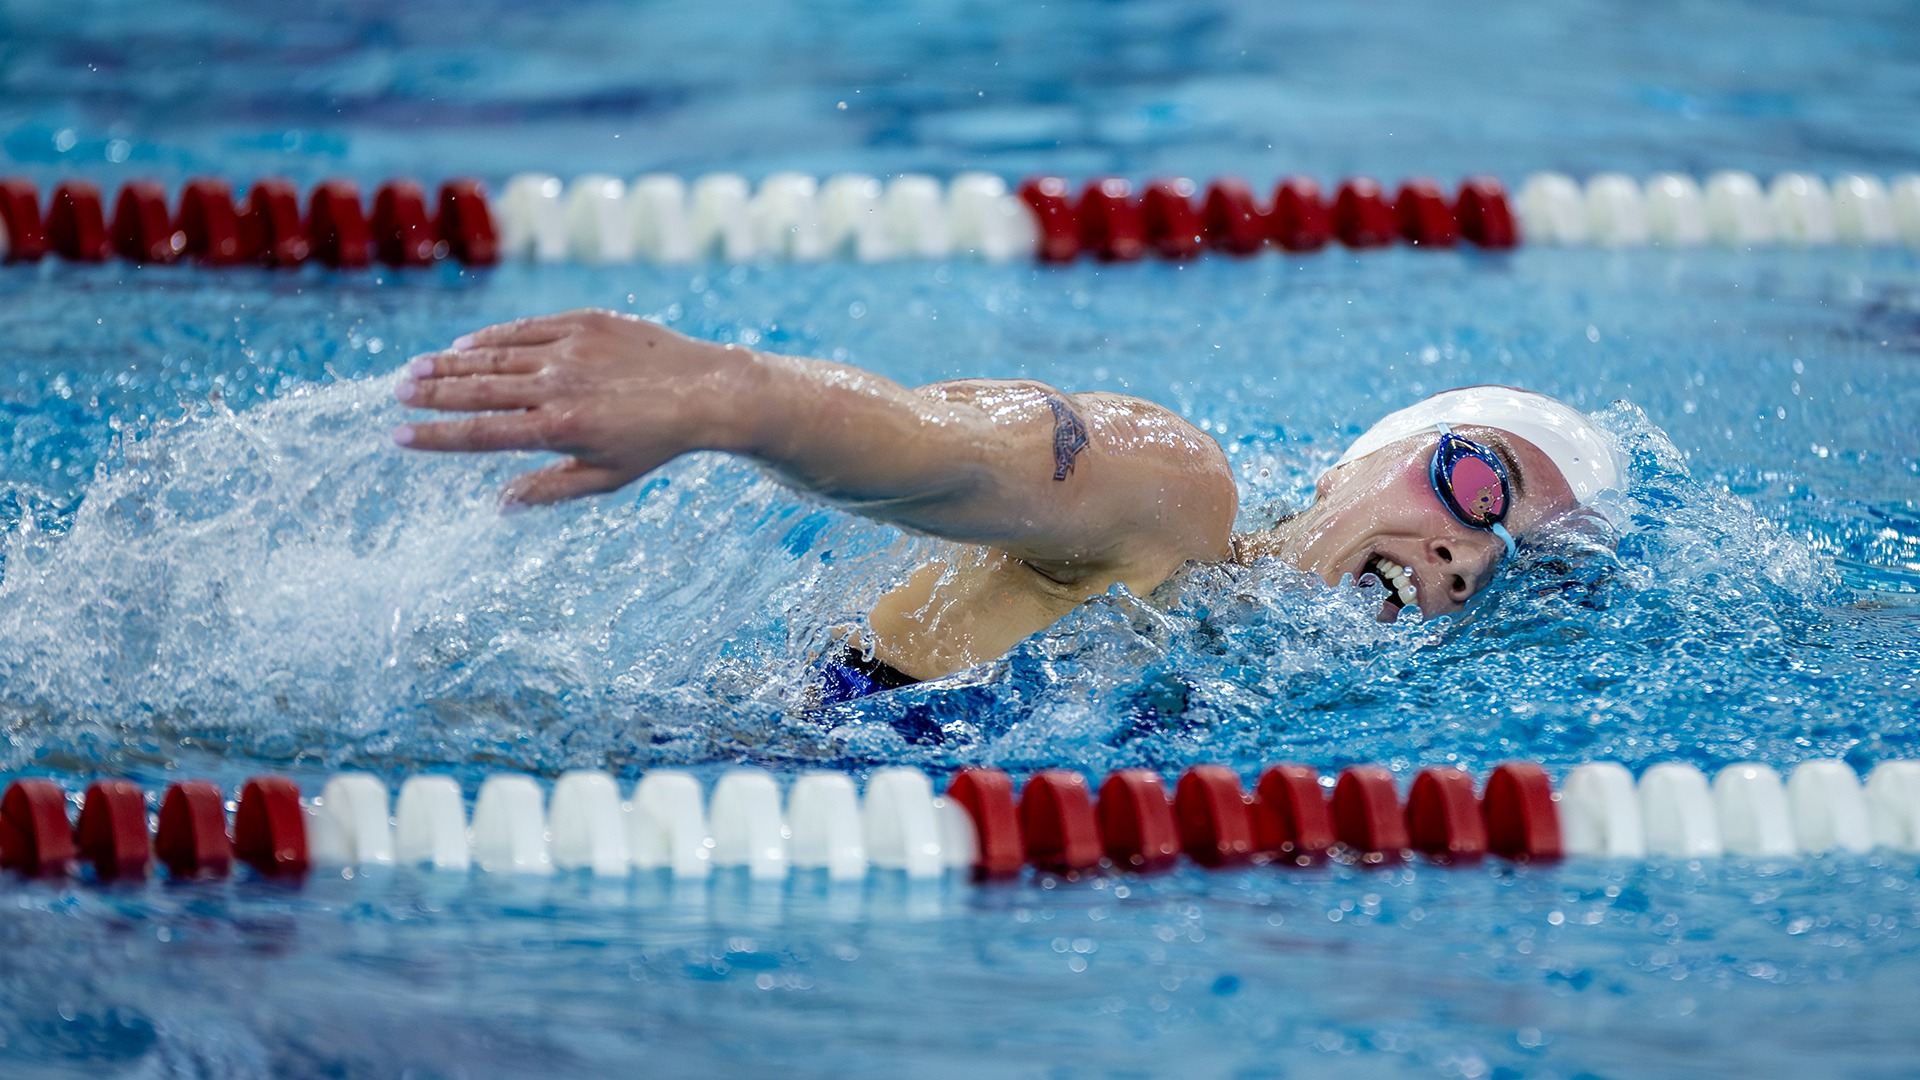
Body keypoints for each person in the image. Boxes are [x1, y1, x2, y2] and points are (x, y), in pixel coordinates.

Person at [393, 309, 1623, 702]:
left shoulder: (1274, 688)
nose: (1470, 555)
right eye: (1480, 483)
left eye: (1517, 563)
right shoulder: (1178, 503)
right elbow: (968, 453)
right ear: (1349, 467)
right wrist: (730, 397)